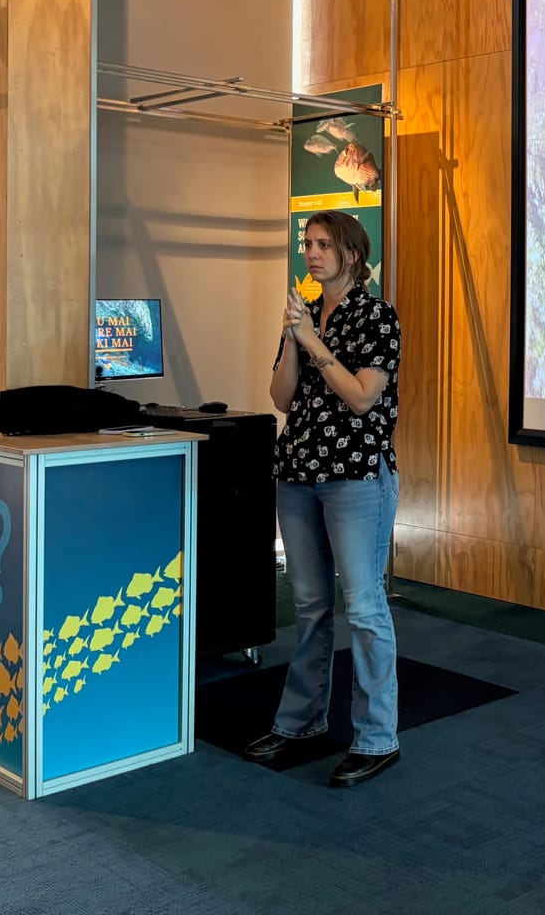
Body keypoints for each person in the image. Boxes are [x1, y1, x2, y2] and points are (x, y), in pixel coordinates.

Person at [242, 210, 403, 787]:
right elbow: (281, 397)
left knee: (364, 606)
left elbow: (362, 398)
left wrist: (312, 340)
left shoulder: (377, 316)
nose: (310, 253)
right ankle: (301, 722)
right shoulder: (305, 315)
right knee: (311, 606)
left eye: (323, 245)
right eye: (307, 243)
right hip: (298, 473)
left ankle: (377, 737)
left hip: (356, 476)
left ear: (352, 255)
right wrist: (294, 337)